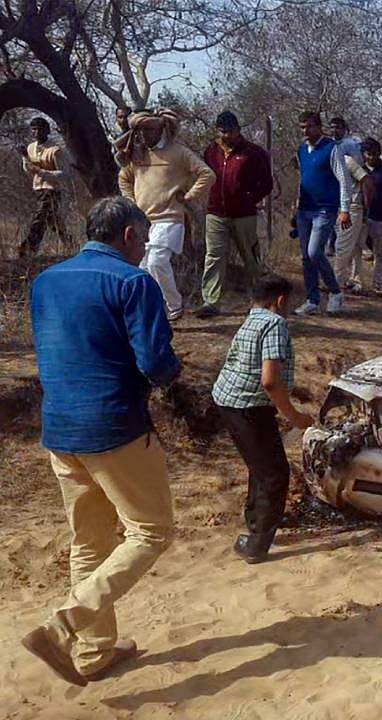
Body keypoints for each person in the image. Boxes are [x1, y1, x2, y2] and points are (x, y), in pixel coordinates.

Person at [23, 196, 181, 686]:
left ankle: (95, 652)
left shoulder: (46, 280)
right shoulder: (134, 282)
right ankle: (64, 624)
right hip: (113, 427)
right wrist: (174, 373)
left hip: (59, 427)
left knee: (89, 540)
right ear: (130, 235)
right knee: (151, 533)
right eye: (144, 238)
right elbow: (155, 364)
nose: (146, 248)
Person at [212, 273, 313, 563]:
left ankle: (255, 523)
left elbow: (252, 364)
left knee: (261, 466)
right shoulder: (275, 324)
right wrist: (294, 416)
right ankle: (256, 545)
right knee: (275, 475)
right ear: (280, 300)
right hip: (247, 407)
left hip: (228, 400)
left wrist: (294, 389)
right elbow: (269, 381)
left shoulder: (253, 317)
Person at [116, 108, 215, 321]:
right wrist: (130, 201)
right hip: (143, 221)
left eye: (148, 130)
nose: (143, 135)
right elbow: (124, 178)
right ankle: (152, 309)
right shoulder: (137, 154)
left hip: (170, 218)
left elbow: (207, 174)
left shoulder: (178, 152)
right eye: (140, 131)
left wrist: (189, 196)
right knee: (143, 267)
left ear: (159, 129)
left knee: (157, 262)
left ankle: (174, 305)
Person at [195, 111, 274, 318]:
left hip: (244, 214)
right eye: (222, 131)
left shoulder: (254, 153)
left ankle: (260, 300)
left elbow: (266, 183)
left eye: (230, 131)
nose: (226, 135)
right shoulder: (211, 151)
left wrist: (249, 198)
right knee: (214, 256)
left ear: (238, 130)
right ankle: (211, 301)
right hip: (215, 213)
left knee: (250, 256)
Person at [294, 111, 344, 316]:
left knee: (315, 251)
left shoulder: (332, 148)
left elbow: (344, 180)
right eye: (302, 127)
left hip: (325, 208)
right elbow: (303, 180)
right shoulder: (301, 150)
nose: (306, 131)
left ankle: (335, 292)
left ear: (318, 126)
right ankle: (312, 300)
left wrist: (345, 209)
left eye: (309, 126)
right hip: (304, 208)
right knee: (306, 256)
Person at [349, 138, 382, 296]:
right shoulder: (358, 170)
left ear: (379, 153)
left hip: (380, 217)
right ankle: (357, 282)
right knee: (357, 250)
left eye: (375, 154)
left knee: (380, 253)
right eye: (368, 154)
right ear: (364, 154)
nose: (371, 157)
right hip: (360, 217)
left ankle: (377, 284)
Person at [21, 117, 73, 257]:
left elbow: (64, 174)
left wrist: (42, 172)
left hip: (53, 189)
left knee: (40, 217)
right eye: (34, 129)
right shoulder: (30, 148)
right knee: (52, 221)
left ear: (47, 130)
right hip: (38, 188)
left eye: (39, 129)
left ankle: (29, 249)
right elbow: (28, 169)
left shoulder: (55, 150)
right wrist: (25, 157)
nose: (36, 132)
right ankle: (69, 243)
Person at [328, 116, 366, 291]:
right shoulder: (332, 147)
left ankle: (337, 283)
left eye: (338, 127)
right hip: (338, 202)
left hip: (352, 204)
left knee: (343, 246)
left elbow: (363, 178)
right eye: (332, 127)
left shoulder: (348, 147)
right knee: (351, 246)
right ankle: (351, 280)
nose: (335, 131)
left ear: (345, 128)